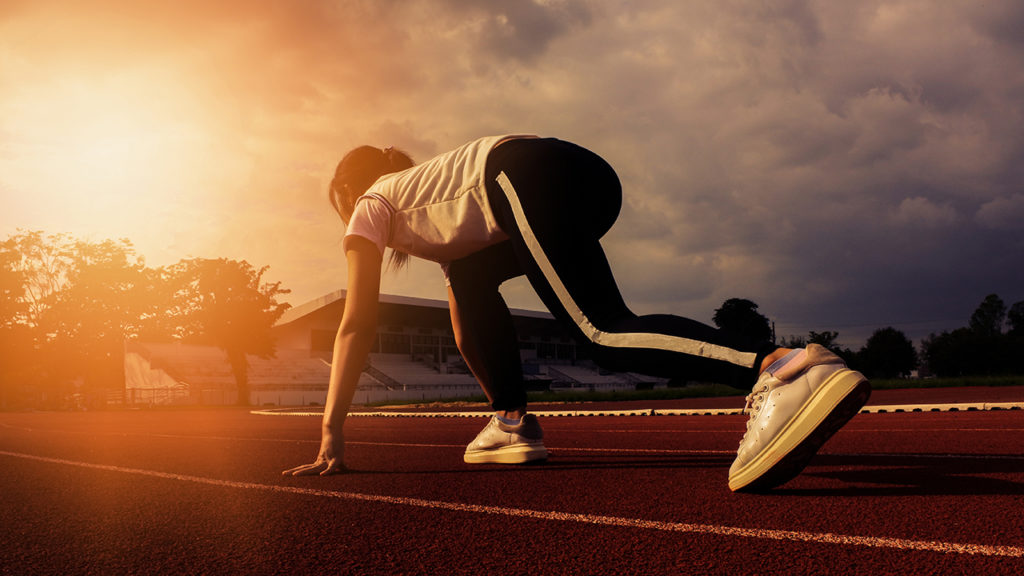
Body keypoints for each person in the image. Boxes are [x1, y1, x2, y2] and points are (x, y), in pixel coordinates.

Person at [282, 135, 871, 492]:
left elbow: (357, 321)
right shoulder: (432, 206)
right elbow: (468, 324)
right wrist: (503, 408)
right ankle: (512, 423)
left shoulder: (371, 202)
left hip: (522, 175)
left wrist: (331, 432)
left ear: (344, 189)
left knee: (601, 333)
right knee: (477, 277)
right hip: (582, 177)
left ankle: (784, 367)